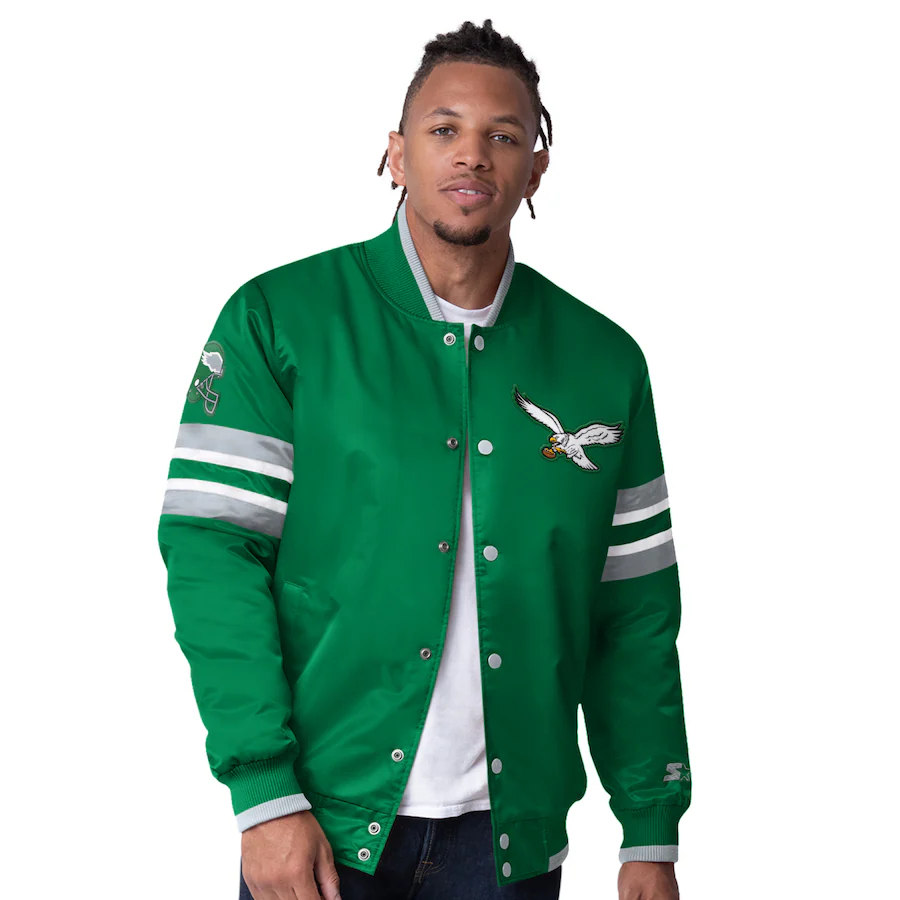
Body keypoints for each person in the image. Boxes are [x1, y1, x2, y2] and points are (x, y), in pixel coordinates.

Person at [157, 18, 691, 900]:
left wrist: (651, 829)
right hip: (320, 826)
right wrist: (263, 792)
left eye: (503, 136)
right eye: (444, 129)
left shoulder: (605, 364)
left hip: (510, 849)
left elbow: (633, 609)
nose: (471, 154)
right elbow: (213, 554)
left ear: (536, 170)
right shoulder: (280, 320)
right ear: (397, 154)